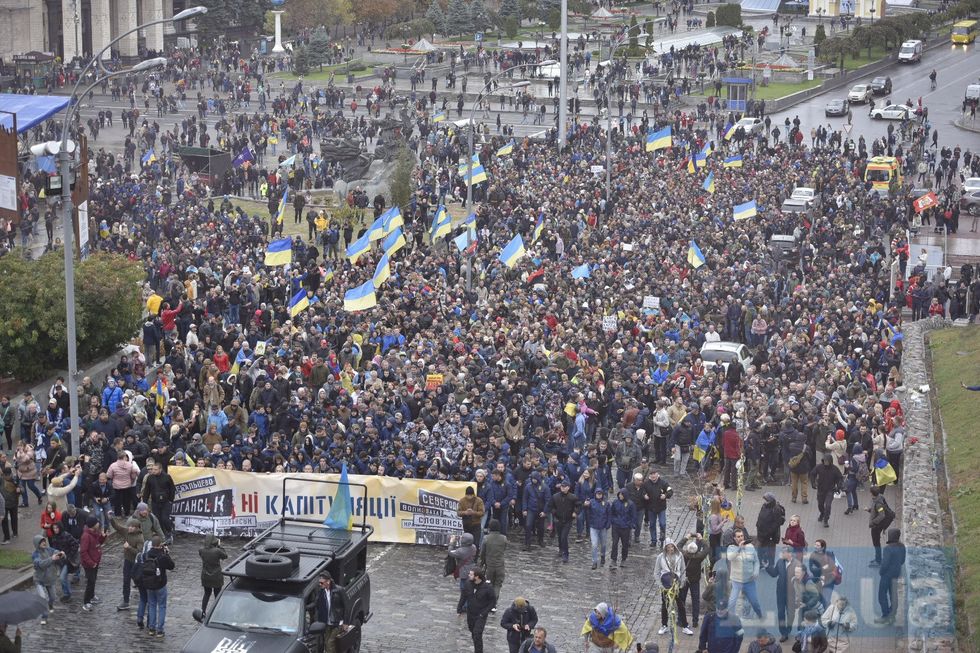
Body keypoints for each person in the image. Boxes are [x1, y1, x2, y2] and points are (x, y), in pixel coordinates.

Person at [655, 538, 692, 635]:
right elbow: (656, 572)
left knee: (681, 605)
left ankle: (685, 625)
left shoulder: (679, 556)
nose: (670, 548)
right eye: (668, 547)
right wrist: (661, 585)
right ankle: (664, 625)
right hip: (665, 585)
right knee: (665, 605)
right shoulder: (660, 557)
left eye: (672, 546)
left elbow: (683, 569)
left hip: (677, 584)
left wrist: (682, 582)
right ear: (665, 548)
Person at [142, 535, 175, 638]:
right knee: (161, 606)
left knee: (151, 605)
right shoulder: (162, 556)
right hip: (160, 584)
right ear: (160, 545)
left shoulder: (146, 555)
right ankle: (160, 630)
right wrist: (167, 553)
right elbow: (171, 566)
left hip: (149, 584)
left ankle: (152, 628)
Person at [110, 515, 145, 611]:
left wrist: (128, 547)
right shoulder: (126, 531)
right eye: (129, 526)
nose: (129, 528)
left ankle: (145, 598)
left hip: (136, 563)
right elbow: (117, 527)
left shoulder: (140, 538)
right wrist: (111, 519)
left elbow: (139, 552)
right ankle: (126, 601)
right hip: (127, 561)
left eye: (132, 526)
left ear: (137, 527)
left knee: (139, 581)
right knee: (126, 581)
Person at [726, 529, 763, 619]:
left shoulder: (750, 546)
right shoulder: (731, 548)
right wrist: (739, 548)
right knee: (732, 602)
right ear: (734, 538)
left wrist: (756, 572)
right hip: (736, 581)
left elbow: (756, 561)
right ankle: (731, 620)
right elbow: (730, 557)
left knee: (755, 603)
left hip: (749, 581)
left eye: (742, 536)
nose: (740, 538)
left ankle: (760, 616)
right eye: (738, 537)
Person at [678, 533, 709, 630]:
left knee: (681, 601)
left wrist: (686, 537)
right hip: (695, 581)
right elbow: (707, 548)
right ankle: (695, 621)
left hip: (684, 580)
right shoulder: (699, 557)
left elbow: (678, 546)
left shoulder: (683, 555)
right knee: (696, 601)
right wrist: (700, 538)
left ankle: (680, 620)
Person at [32, 534, 64, 623]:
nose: (44, 543)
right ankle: (44, 617)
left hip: (50, 579)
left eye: (44, 541)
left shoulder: (49, 550)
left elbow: (56, 552)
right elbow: (41, 564)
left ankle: (50, 605)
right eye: (41, 542)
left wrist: (61, 554)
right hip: (39, 580)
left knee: (53, 597)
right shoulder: (35, 555)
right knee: (42, 598)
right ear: (37, 544)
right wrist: (52, 559)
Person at [876, 528, 905, 623]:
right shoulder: (902, 546)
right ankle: (893, 615)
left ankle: (885, 615)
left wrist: (881, 572)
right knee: (893, 594)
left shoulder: (888, 549)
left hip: (886, 575)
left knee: (882, 594)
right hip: (896, 573)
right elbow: (902, 561)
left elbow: (885, 563)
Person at [141, 462, 175, 542]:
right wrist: (144, 503)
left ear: (160, 469)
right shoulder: (150, 478)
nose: (153, 471)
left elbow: (172, 489)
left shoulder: (167, 477)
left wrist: (170, 500)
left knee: (164, 518)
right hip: (155, 502)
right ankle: (163, 535)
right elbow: (147, 491)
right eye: (153, 469)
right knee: (157, 520)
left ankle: (169, 532)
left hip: (166, 502)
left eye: (155, 469)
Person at [79, 516, 107, 612]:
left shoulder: (95, 532)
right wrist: (91, 563)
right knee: (90, 582)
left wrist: (103, 536)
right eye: (97, 523)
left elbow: (99, 542)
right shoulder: (86, 536)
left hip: (95, 561)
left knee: (94, 580)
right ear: (93, 525)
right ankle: (86, 602)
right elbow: (83, 552)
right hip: (90, 564)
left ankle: (92, 596)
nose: (98, 524)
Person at [479, 519, 507, 611]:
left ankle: (488, 602)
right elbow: (504, 550)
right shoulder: (503, 538)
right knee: (497, 585)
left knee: (488, 584)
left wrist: (481, 563)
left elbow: (482, 553)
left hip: (489, 566)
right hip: (500, 566)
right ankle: (494, 604)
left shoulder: (486, 538)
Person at [465, 569, 495, 653]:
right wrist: (459, 608)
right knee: (473, 632)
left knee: (477, 633)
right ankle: (477, 647)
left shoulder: (488, 587)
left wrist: (484, 613)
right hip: (470, 613)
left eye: (471, 574)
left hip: (481, 615)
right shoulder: (468, 584)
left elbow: (493, 602)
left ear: (477, 577)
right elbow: (464, 595)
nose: (468, 576)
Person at [316, 572, 347, 653]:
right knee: (326, 643)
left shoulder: (339, 590)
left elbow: (346, 606)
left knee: (330, 643)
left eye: (322, 582)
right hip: (327, 622)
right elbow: (317, 605)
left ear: (328, 581)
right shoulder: (321, 592)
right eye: (319, 582)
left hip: (337, 622)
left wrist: (346, 622)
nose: (320, 584)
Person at [549, 480, 579, 563]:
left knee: (564, 537)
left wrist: (575, 512)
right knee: (559, 536)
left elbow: (578, 505)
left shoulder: (572, 497)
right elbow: (550, 506)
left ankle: (566, 554)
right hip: (558, 519)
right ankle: (560, 549)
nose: (563, 488)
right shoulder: (555, 496)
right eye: (562, 486)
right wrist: (554, 512)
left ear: (568, 488)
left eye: (565, 487)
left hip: (568, 520)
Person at [755, 492, 785, 573]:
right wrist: (758, 524)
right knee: (760, 549)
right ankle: (761, 563)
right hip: (761, 533)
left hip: (770, 535)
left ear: (771, 500)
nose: (765, 501)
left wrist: (768, 532)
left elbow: (776, 524)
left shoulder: (776, 509)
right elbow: (760, 516)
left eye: (767, 499)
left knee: (770, 550)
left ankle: (771, 565)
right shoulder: (764, 506)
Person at [449, 532, 478, 614]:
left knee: (463, 589)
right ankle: (468, 604)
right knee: (471, 589)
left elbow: (450, 552)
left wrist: (452, 542)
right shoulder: (473, 547)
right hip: (472, 569)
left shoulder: (461, 551)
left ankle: (465, 606)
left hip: (464, 571)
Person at [643, 469, 673, 549]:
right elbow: (642, 491)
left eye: (654, 474)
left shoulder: (664, 483)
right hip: (651, 508)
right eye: (651, 474)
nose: (653, 476)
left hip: (661, 508)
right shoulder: (646, 484)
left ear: (657, 474)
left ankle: (662, 539)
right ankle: (653, 540)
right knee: (652, 524)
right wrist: (644, 495)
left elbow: (670, 491)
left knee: (662, 524)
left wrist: (665, 495)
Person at [198, 534, 228, 612]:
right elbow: (225, 556)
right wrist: (220, 546)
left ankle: (203, 611)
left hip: (205, 576)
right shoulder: (217, 551)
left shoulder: (201, 550)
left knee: (206, 594)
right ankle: (217, 611)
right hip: (216, 576)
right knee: (217, 595)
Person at [522, 471, 550, 550]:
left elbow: (548, 500)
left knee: (541, 527)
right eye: (532, 479)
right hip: (531, 509)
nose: (533, 480)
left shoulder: (545, 487)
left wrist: (544, 511)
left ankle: (540, 540)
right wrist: (524, 509)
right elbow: (525, 499)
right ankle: (527, 543)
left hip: (540, 510)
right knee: (528, 525)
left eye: (535, 479)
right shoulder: (528, 487)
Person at [867, 486, 895, 567]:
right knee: (876, 543)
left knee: (876, 543)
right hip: (878, 525)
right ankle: (877, 558)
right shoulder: (880, 498)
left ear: (872, 493)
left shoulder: (878, 503)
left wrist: (873, 522)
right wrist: (869, 510)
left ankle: (878, 560)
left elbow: (881, 515)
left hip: (876, 526)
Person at [812, 454, 843, 527]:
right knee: (820, 504)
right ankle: (822, 513)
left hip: (830, 490)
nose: (826, 462)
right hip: (821, 490)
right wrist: (813, 483)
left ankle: (826, 520)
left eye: (827, 461)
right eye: (825, 461)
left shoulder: (835, 469)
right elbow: (813, 474)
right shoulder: (819, 467)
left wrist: (838, 487)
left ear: (830, 461)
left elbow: (840, 478)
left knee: (828, 505)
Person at [610, 488, 636, 568]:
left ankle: (623, 559)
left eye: (622, 494)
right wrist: (613, 521)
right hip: (616, 527)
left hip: (625, 528)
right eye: (619, 494)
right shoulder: (615, 502)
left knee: (625, 544)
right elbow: (612, 513)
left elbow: (633, 516)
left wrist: (630, 525)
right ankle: (613, 560)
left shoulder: (630, 504)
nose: (620, 496)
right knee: (614, 543)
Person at [586, 488, 610, 570]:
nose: (599, 495)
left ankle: (602, 555)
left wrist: (608, 524)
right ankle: (594, 561)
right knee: (594, 545)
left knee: (603, 544)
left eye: (600, 494)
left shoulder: (606, 503)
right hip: (593, 527)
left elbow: (609, 514)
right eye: (597, 494)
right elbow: (587, 510)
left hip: (603, 527)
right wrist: (586, 505)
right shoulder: (591, 502)